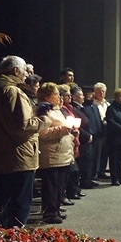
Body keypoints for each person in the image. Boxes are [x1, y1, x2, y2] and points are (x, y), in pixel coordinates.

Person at [0, 55, 52, 228]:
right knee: (19, 204)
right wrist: (44, 120)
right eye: (26, 69)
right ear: (16, 70)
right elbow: (22, 125)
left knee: (2, 203)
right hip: (18, 157)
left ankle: (1, 241)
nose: (28, 74)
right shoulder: (12, 91)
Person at [35, 82, 77, 224]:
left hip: (63, 154)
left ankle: (56, 209)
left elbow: (63, 128)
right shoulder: (42, 111)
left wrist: (72, 133)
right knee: (51, 186)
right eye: (56, 94)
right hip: (52, 154)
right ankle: (49, 213)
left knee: (59, 185)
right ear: (47, 96)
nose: (59, 97)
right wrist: (64, 130)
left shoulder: (56, 110)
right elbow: (42, 133)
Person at [70, 86, 95, 192]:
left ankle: (87, 180)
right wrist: (87, 136)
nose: (83, 97)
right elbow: (77, 125)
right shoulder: (74, 109)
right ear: (75, 97)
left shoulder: (81, 107)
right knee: (82, 163)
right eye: (81, 95)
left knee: (88, 162)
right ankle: (82, 183)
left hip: (87, 138)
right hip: (82, 139)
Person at [93, 82, 110, 179]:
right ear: (95, 92)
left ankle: (102, 171)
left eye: (103, 91)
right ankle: (95, 172)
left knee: (105, 152)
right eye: (99, 91)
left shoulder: (107, 103)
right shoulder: (93, 104)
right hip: (98, 129)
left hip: (106, 129)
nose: (101, 93)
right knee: (98, 152)